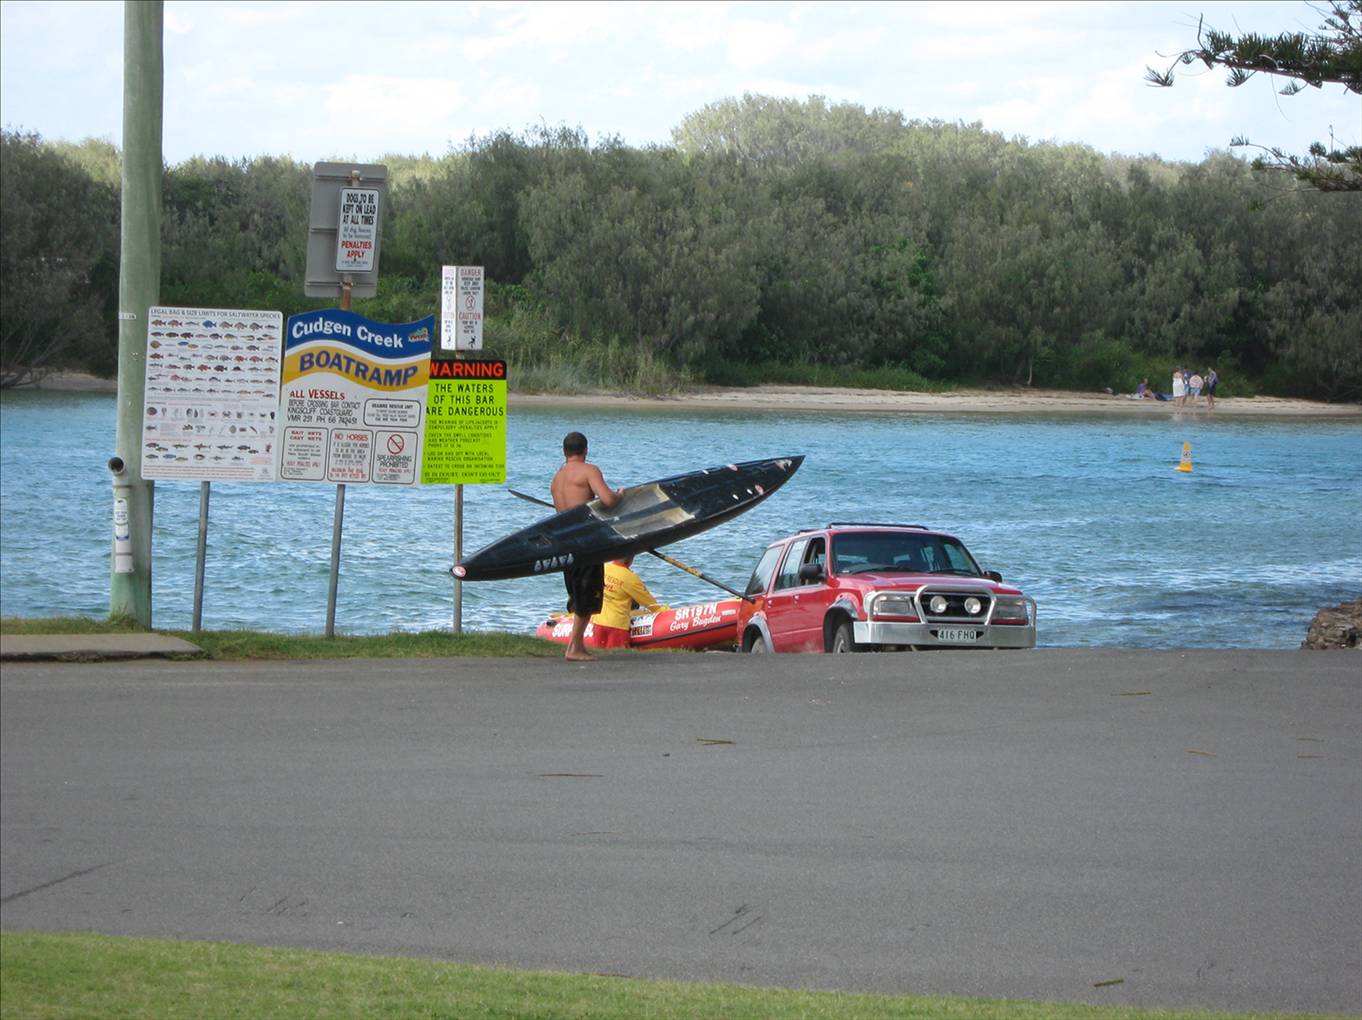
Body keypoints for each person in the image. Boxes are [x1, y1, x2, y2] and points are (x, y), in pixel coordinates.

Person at [551, 432, 622, 661]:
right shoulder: (589, 470)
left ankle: (575, 646)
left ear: (564, 452)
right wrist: (619, 496)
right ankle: (574, 649)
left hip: (564, 541)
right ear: (585, 450)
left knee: (576, 594)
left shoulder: (557, 477)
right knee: (587, 596)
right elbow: (608, 500)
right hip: (585, 541)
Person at [589, 556, 666, 649]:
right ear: (630, 560)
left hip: (598, 622)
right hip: (617, 626)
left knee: (600, 655)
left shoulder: (604, 568)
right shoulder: (630, 578)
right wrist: (665, 610)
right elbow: (651, 604)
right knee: (619, 656)